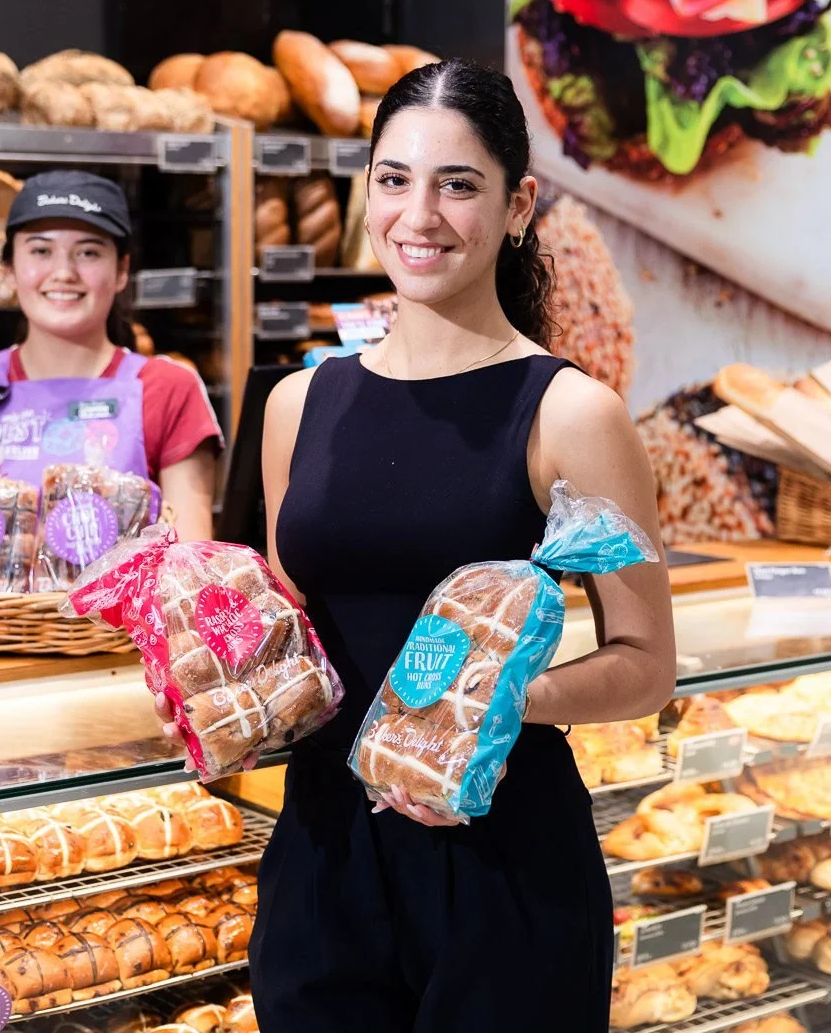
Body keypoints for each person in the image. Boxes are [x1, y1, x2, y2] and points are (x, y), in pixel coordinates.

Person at [162, 60, 677, 1028]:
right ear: (366, 194)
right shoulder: (297, 403)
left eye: (459, 184)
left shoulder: (571, 413)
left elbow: (646, 667)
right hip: (320, 849)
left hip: (500, 859)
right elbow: (299, 626)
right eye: (394, 179)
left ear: (518, 205)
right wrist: (209, 655)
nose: (420, 214)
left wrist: (487, 704)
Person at [0, 170, 222, 539]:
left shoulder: (169, 389)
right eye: (41, 250)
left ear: (121, 271)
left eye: (87, 252)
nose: (63, 272)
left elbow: (190, 560)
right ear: (8, 269)